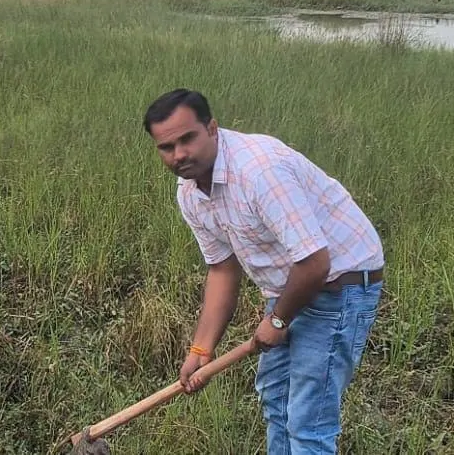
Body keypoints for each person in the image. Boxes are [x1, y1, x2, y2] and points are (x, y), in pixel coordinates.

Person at [143, 89, 385, 455]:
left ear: (212, 128)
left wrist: (276, 322)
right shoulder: (190, 192)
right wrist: (201, 349)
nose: (179, 155)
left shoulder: (259, 172)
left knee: (308, 423)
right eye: (166, 147)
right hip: (290, 286)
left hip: (340, 285)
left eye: (187, 139)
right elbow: (223, 270)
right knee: (276, 401)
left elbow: (316, 262)